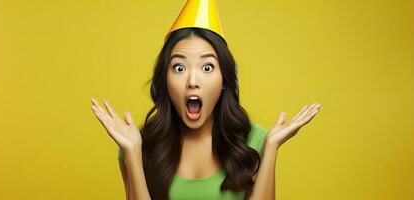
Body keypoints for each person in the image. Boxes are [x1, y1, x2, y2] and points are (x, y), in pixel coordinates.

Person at [90, 0, 322, 199]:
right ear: (165, 79)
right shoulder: (138, 144)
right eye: (179, 67)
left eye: (207, 67)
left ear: (223, 80)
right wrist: (132, 152)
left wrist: (270, 148)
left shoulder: (254, 142)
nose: (192, 80)